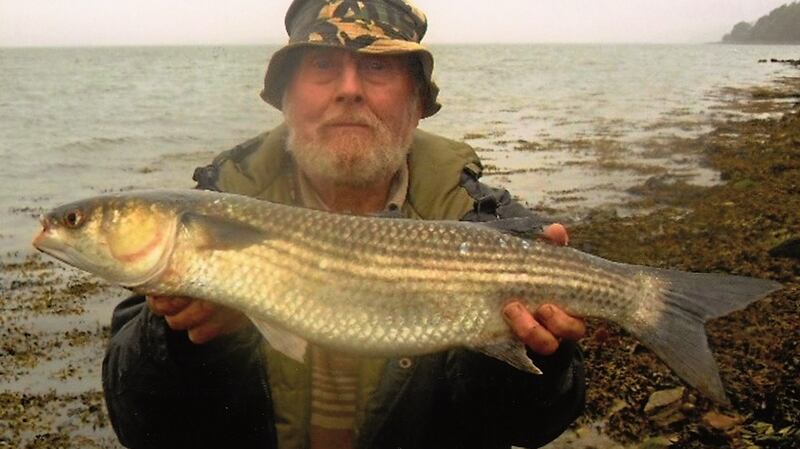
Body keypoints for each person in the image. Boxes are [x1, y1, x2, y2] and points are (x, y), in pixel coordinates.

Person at [102, 1, 587, 448]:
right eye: (322, 65)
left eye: (377, 66)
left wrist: (538, 355)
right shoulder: (208, 215)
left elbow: (532, 426)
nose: (349, 89)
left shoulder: (487, 220)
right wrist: (184, 339)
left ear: (417, 102)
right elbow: (141, 426)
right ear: (285, 98)